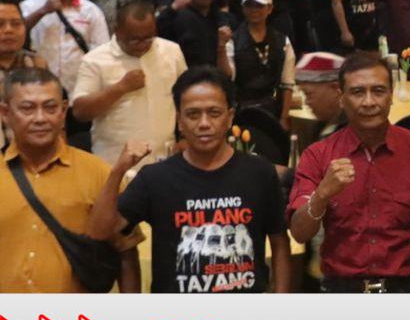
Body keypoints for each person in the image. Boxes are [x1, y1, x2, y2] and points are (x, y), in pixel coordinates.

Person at [87, 68, 290, 293]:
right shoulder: (155, 178)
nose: (204, 123)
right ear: (179, 121)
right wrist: (118, 170)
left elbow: (280, 241)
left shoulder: (259, 172)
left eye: (214, 113)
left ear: (230, 116)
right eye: (193, 114)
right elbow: (99, 232)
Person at [288, 53, 410, 293]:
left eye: (379, 91)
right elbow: (299, 233)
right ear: (342, 98)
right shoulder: (318, 155)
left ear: (391, 95)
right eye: (358, 92)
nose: (369, 102)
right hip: (342, 292)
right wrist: (322, 195)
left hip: (404, 290)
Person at [1, 67, 128, 292]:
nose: (40, 118)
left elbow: (125, 251)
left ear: (63, 111)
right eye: (27, 108)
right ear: (5, 113)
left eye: (50, 108)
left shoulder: (99, 173)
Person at [70, 0, 186, 166]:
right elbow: (80, 112)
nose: (142, 45)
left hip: (164, 159)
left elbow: (187, 99)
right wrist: (120, 88)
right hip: (114, 162)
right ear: (117, 31)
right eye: (134, 40)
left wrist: (185, 138)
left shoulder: (171, 51)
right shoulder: (94, 60)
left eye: (148, 38)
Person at [21, 0, 109, 95]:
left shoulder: (91, 11)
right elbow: (17, 32)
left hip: (80, 88)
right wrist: (42, 11)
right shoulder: (29, 6)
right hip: (38, 86)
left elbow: (102, 50)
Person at [221, 0, 296, 123]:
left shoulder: (283, 41)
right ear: (243, 8)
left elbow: (287, 83)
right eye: (249, 5)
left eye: (259, 5)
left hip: (273, 110)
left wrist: (284, 117)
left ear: (270, 8)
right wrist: (220, 48)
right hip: (241, 111)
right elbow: (228, 76)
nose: (254, 10)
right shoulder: (232, 40)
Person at [156, 0, 234, 69]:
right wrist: (171, 9)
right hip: (183, 73)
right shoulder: (176, 16)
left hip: (213, 74)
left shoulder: (222, 20)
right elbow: (155, 33)